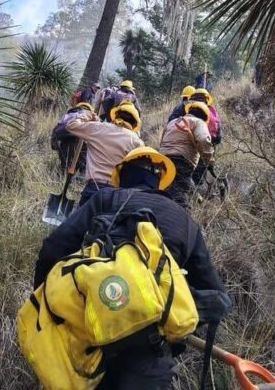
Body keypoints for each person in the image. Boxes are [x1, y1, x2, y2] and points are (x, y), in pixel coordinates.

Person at [32, 147, 228, 390]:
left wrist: (42, 305)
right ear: (160, 182)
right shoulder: (184, 221)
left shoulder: (105, 199)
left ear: (121, 175)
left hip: (87, 338)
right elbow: (217, 296)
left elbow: (52, 248)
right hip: (150, 353)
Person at [54, 101, 144, 205]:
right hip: (116, 194)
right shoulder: (137, 141)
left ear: (115, 115)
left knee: (83, 221)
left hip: (93, 188)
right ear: (135, 122)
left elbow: (71, 125)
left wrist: (87, 115)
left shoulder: (98, 128)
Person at [159, 100, 214, 207]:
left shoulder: (172, 122)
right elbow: (203, 140)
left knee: (167, 191)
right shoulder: (199, 122)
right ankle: (181, 219)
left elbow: (161, 142)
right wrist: (209, 161)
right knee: (181, 196)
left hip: (163, 161)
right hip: (182, 161)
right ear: (205, 116)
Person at [50, 101, 92, 175]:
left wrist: (55, 146)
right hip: (80, 140)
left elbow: (56, 130)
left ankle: (63, 179)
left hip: (65, 140)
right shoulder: (89, 115)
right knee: (83, 164)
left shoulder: (67, 115)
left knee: (65, 163)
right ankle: (79, 180)